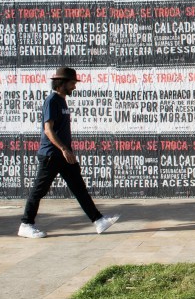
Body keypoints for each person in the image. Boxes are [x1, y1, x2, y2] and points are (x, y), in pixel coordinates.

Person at [18, 66, 119, 238]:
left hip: (64, 155)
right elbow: (48, 130)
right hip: (51, 155)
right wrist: (64, 148)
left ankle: (98, 220)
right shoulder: (52, 101)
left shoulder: (62, 101)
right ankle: (26, 224)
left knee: (79, 188)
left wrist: (66, 150)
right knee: (39, 190)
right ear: (61, 83)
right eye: (72, 83)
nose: (74, 86)